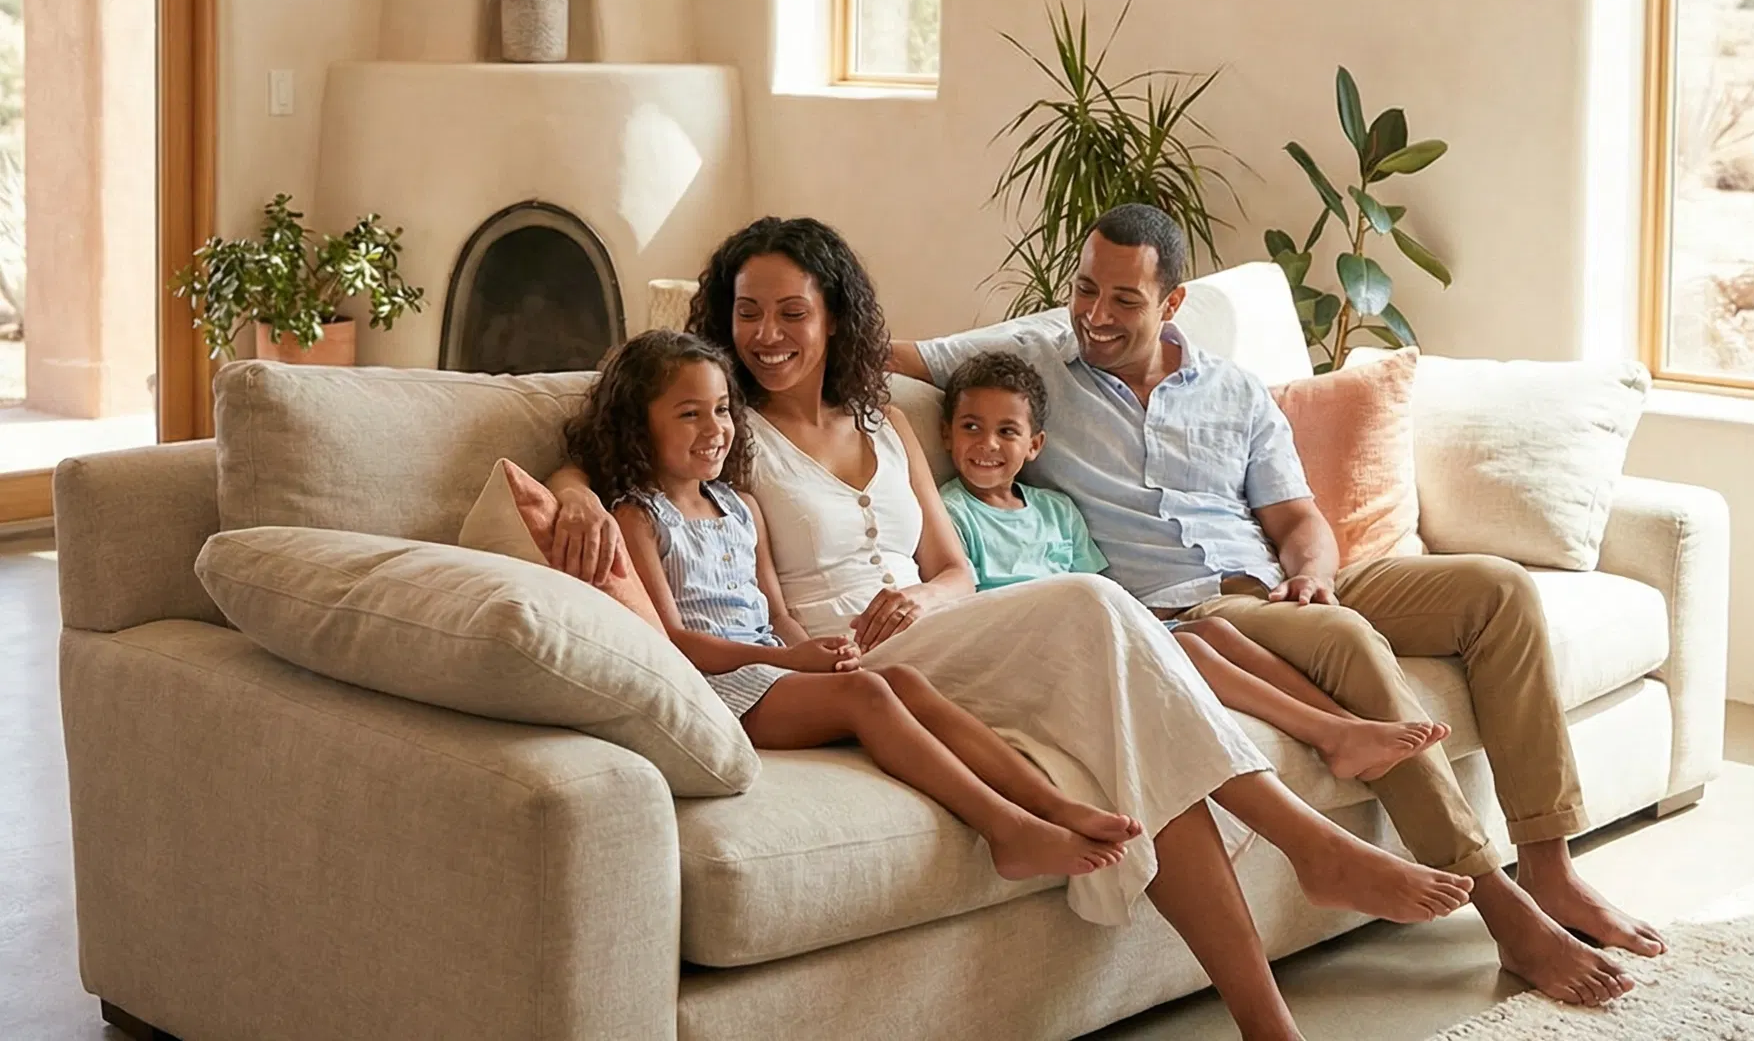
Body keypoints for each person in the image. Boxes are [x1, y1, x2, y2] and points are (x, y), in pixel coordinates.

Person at [546, 215, 1471, 1041]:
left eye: (792, 312)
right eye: (749, 312)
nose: (768, 335)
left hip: (954, 627)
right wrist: (576, 495)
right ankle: (1308, 847)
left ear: (832, 314)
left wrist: (926, 599)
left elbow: (951, 568)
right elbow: (608, 452)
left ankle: (1269, 1027)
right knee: (1096, 602)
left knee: (1131, 722)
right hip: (848, 654)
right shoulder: (723, 424)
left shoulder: (880, 419)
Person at [891, 203, 1666, 1010]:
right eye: (1085, 290)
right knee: (1345, 640)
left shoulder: (1230, 389)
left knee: (1498, 590)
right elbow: (888, 356)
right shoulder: (1033, 364)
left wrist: (1313, 572)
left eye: (1124, 299)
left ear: (1173, 304)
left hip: (1286, 581)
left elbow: (1296, 519)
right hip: (1191, 610)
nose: (1095, 315)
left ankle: (1551, 868)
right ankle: (1500, 907)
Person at [565, 326, 1135, 882]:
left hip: (773, 667)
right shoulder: (637, 518)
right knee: (866, 692)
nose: (714, 428)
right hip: (722, 692)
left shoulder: (741, 507)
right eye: (689, 414)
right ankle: (1006, 829)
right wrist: (794, 663)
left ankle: (1052, 804)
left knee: (903, 680)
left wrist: (814, 651)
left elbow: (778, 614)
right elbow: (675, 642)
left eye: (720, 410)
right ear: (639, 424)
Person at [938, 347, 1452, 784]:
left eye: (1006, 431)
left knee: (1214, 633)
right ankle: (1332, 733)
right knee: (1190, 645)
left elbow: (1099, 584)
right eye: (971, 428)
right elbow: (970, 600)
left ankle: (1343, 726)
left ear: (1034, 445)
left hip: (1099, 627)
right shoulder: (949, 512)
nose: (987, 444)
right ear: (947, 436)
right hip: (1036, 645)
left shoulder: (1056, 510)